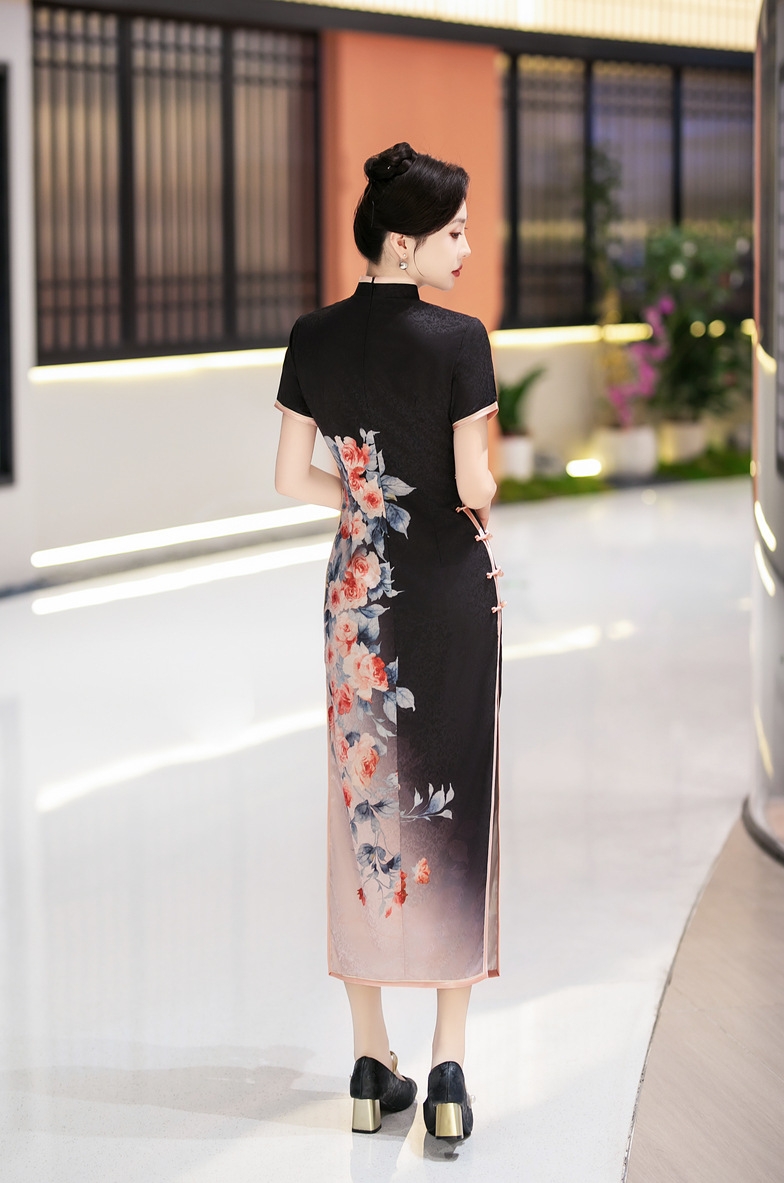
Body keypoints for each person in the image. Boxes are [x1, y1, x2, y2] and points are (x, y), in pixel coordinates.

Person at [274, 142, 503, 1141]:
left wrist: (367, 500)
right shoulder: (459, 339)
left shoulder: (311, 336)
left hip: (357, 597)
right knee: (455, 808)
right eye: (453, 232)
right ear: (403, 243)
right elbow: (475, 484)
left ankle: (371, 1060)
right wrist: (463, 498)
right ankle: (447, 1069)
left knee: (363, 805)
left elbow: (289, 476)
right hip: (445, 591)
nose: (466, 248)